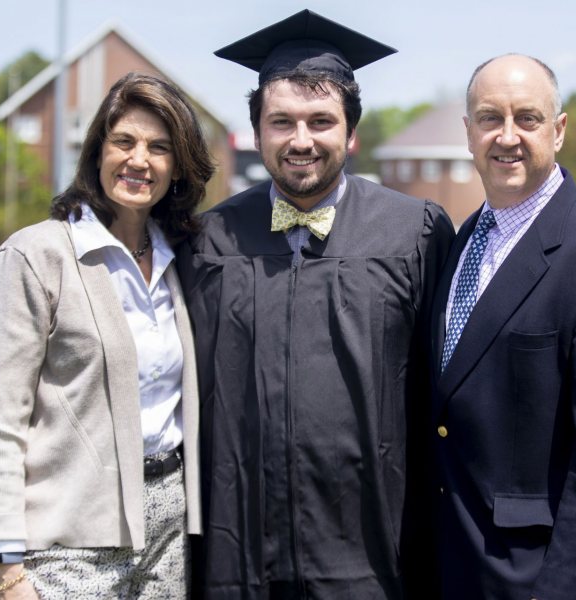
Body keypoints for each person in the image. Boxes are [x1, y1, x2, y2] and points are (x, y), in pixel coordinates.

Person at [176, 10, 454, 599]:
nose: (301, 140)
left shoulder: (415, 234)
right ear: (256, 133)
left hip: (371, 560)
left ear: (351, 133)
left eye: (320, 121)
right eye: (282, 122)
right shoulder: (209, 242)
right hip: (241, 559)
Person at [430, 54, 576, 599]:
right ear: (468, 133)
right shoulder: (462, 241)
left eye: (527, 118)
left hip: (534, 580)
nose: (507, 136)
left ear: (558, 131)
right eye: (490, 118)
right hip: (449, 570)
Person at [0, 72, 214, 599]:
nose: (138, 160)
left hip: (170, 536)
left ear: (178, 168)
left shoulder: (183, 260)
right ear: (97, 152)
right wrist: (7, 572)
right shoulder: (35, 257)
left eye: (159, 148)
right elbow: (0, 424)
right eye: (123, 141)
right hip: (68, 545)